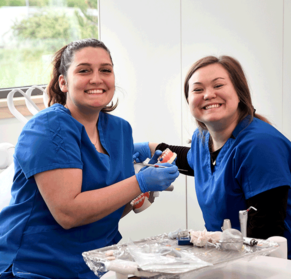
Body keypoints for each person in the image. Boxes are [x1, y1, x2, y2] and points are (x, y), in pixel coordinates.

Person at [0, 38, 179, 278]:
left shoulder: (120, 130)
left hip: (92, 264)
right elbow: (68, 214)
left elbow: (106, 210)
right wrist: (140, 183)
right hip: (35, 266)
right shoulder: (48, 128)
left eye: (105, 70)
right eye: (84, 70)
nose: (96, 79)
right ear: (63, 82)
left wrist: (140, 195)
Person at [133, 55, 291, 261]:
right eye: (197, 89)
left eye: (218, 85)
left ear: (239, 93)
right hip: (232, 256)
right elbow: (196, 161)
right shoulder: (203, 139)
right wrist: (150, 149)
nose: (208, 95)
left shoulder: (260, 145)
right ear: (188, 100)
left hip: (282, 263)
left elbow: (265, 237)